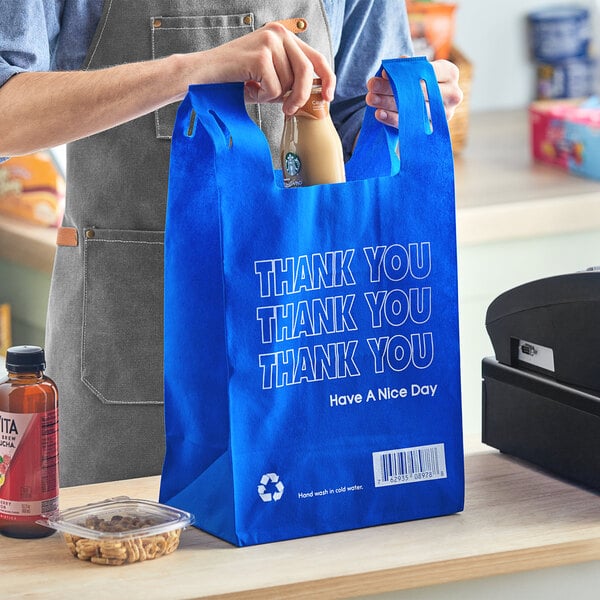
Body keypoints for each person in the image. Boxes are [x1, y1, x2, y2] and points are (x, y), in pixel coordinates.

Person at [0, 1, 462, 486]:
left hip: (310, 350)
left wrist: (406, 105)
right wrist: (192, 71)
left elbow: (353, 116)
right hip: (138, 369)